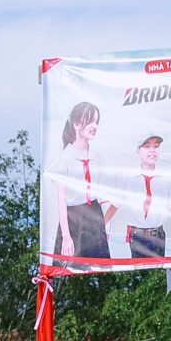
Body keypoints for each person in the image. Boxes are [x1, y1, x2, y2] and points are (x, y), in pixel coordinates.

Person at [51, 101, 109, 259]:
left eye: (96, 122)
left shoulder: (98, 157)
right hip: (73, 218)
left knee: (100, 265)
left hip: (95, 215)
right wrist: (66, 237)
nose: (94, 126)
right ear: (76, 124)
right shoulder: (65, 158)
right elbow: (61, 200)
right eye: (90, 121)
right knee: (69, 266)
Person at [119, 135, 171, 259]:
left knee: (158, 271)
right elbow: (115, 204)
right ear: (138, 151)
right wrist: (101, 227)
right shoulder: (129, 178)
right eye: (147, 147)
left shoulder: (166, 178)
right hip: (137, 235)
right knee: (139, 272)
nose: (152, 150)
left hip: (158, 235)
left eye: (156, 146)